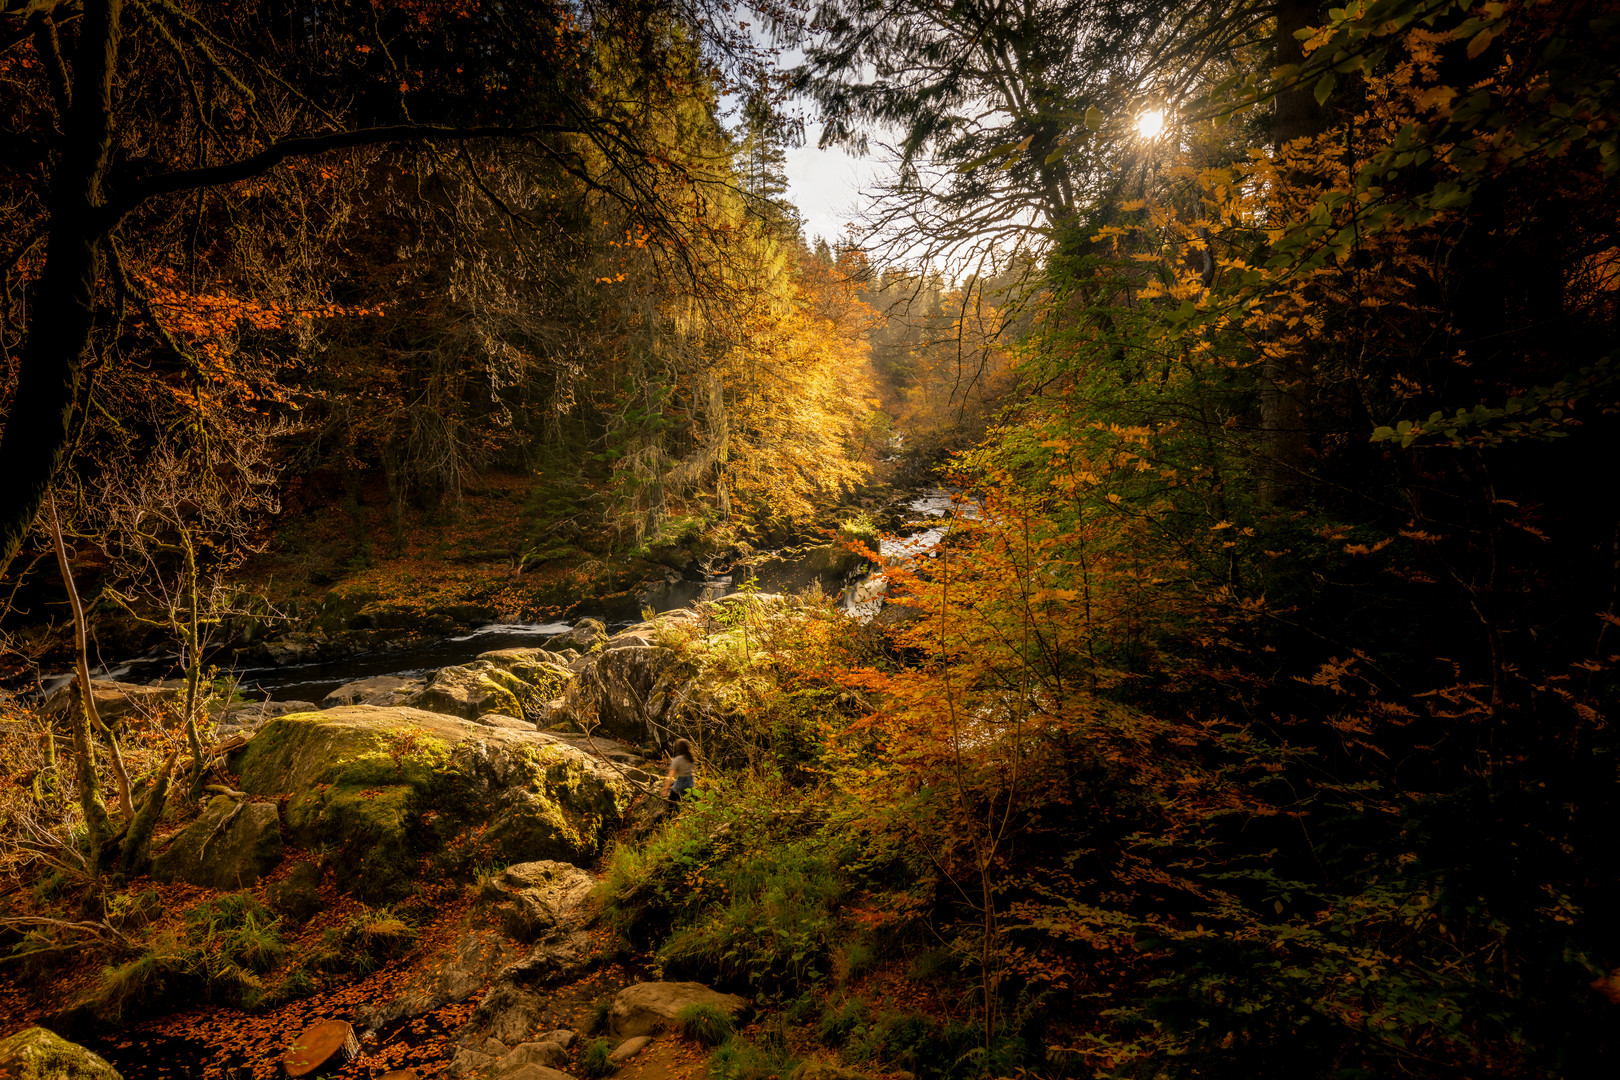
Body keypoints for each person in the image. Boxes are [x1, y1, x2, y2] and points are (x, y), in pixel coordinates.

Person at [661, 738, 695, 804]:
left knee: (671, 803)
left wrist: (665, 789)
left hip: (680, 785)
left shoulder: (677, 760)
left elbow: (671, 776)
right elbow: (694, 772)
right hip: (690, 784)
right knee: (690, 805)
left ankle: (670, 813)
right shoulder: (691, 759)